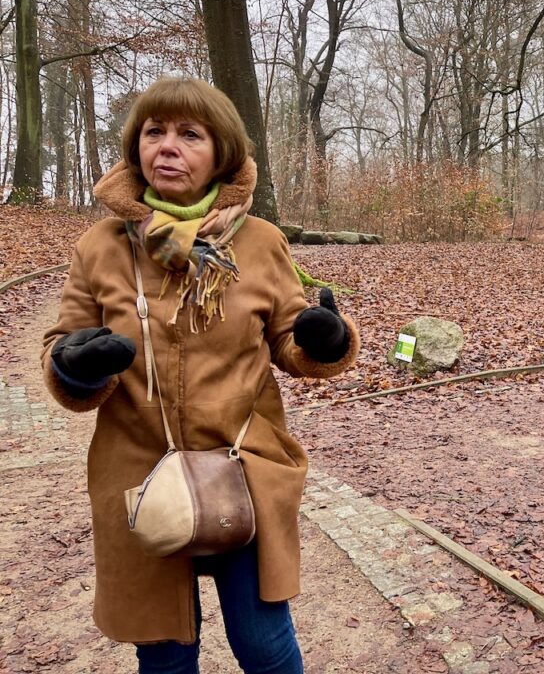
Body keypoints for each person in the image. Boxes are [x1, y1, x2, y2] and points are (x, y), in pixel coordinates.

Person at [41, 76, 360, 673]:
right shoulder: (101, 247)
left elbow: (292, 342)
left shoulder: (260, 243)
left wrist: (324, 341)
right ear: (136, 146)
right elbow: (63, 345)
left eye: (190, 134)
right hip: (139, 477)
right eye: (154, 132)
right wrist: (75, 367)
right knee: (165, 654)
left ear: (221, 153)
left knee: (264, 646)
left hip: (247, 469)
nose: (167, 146)